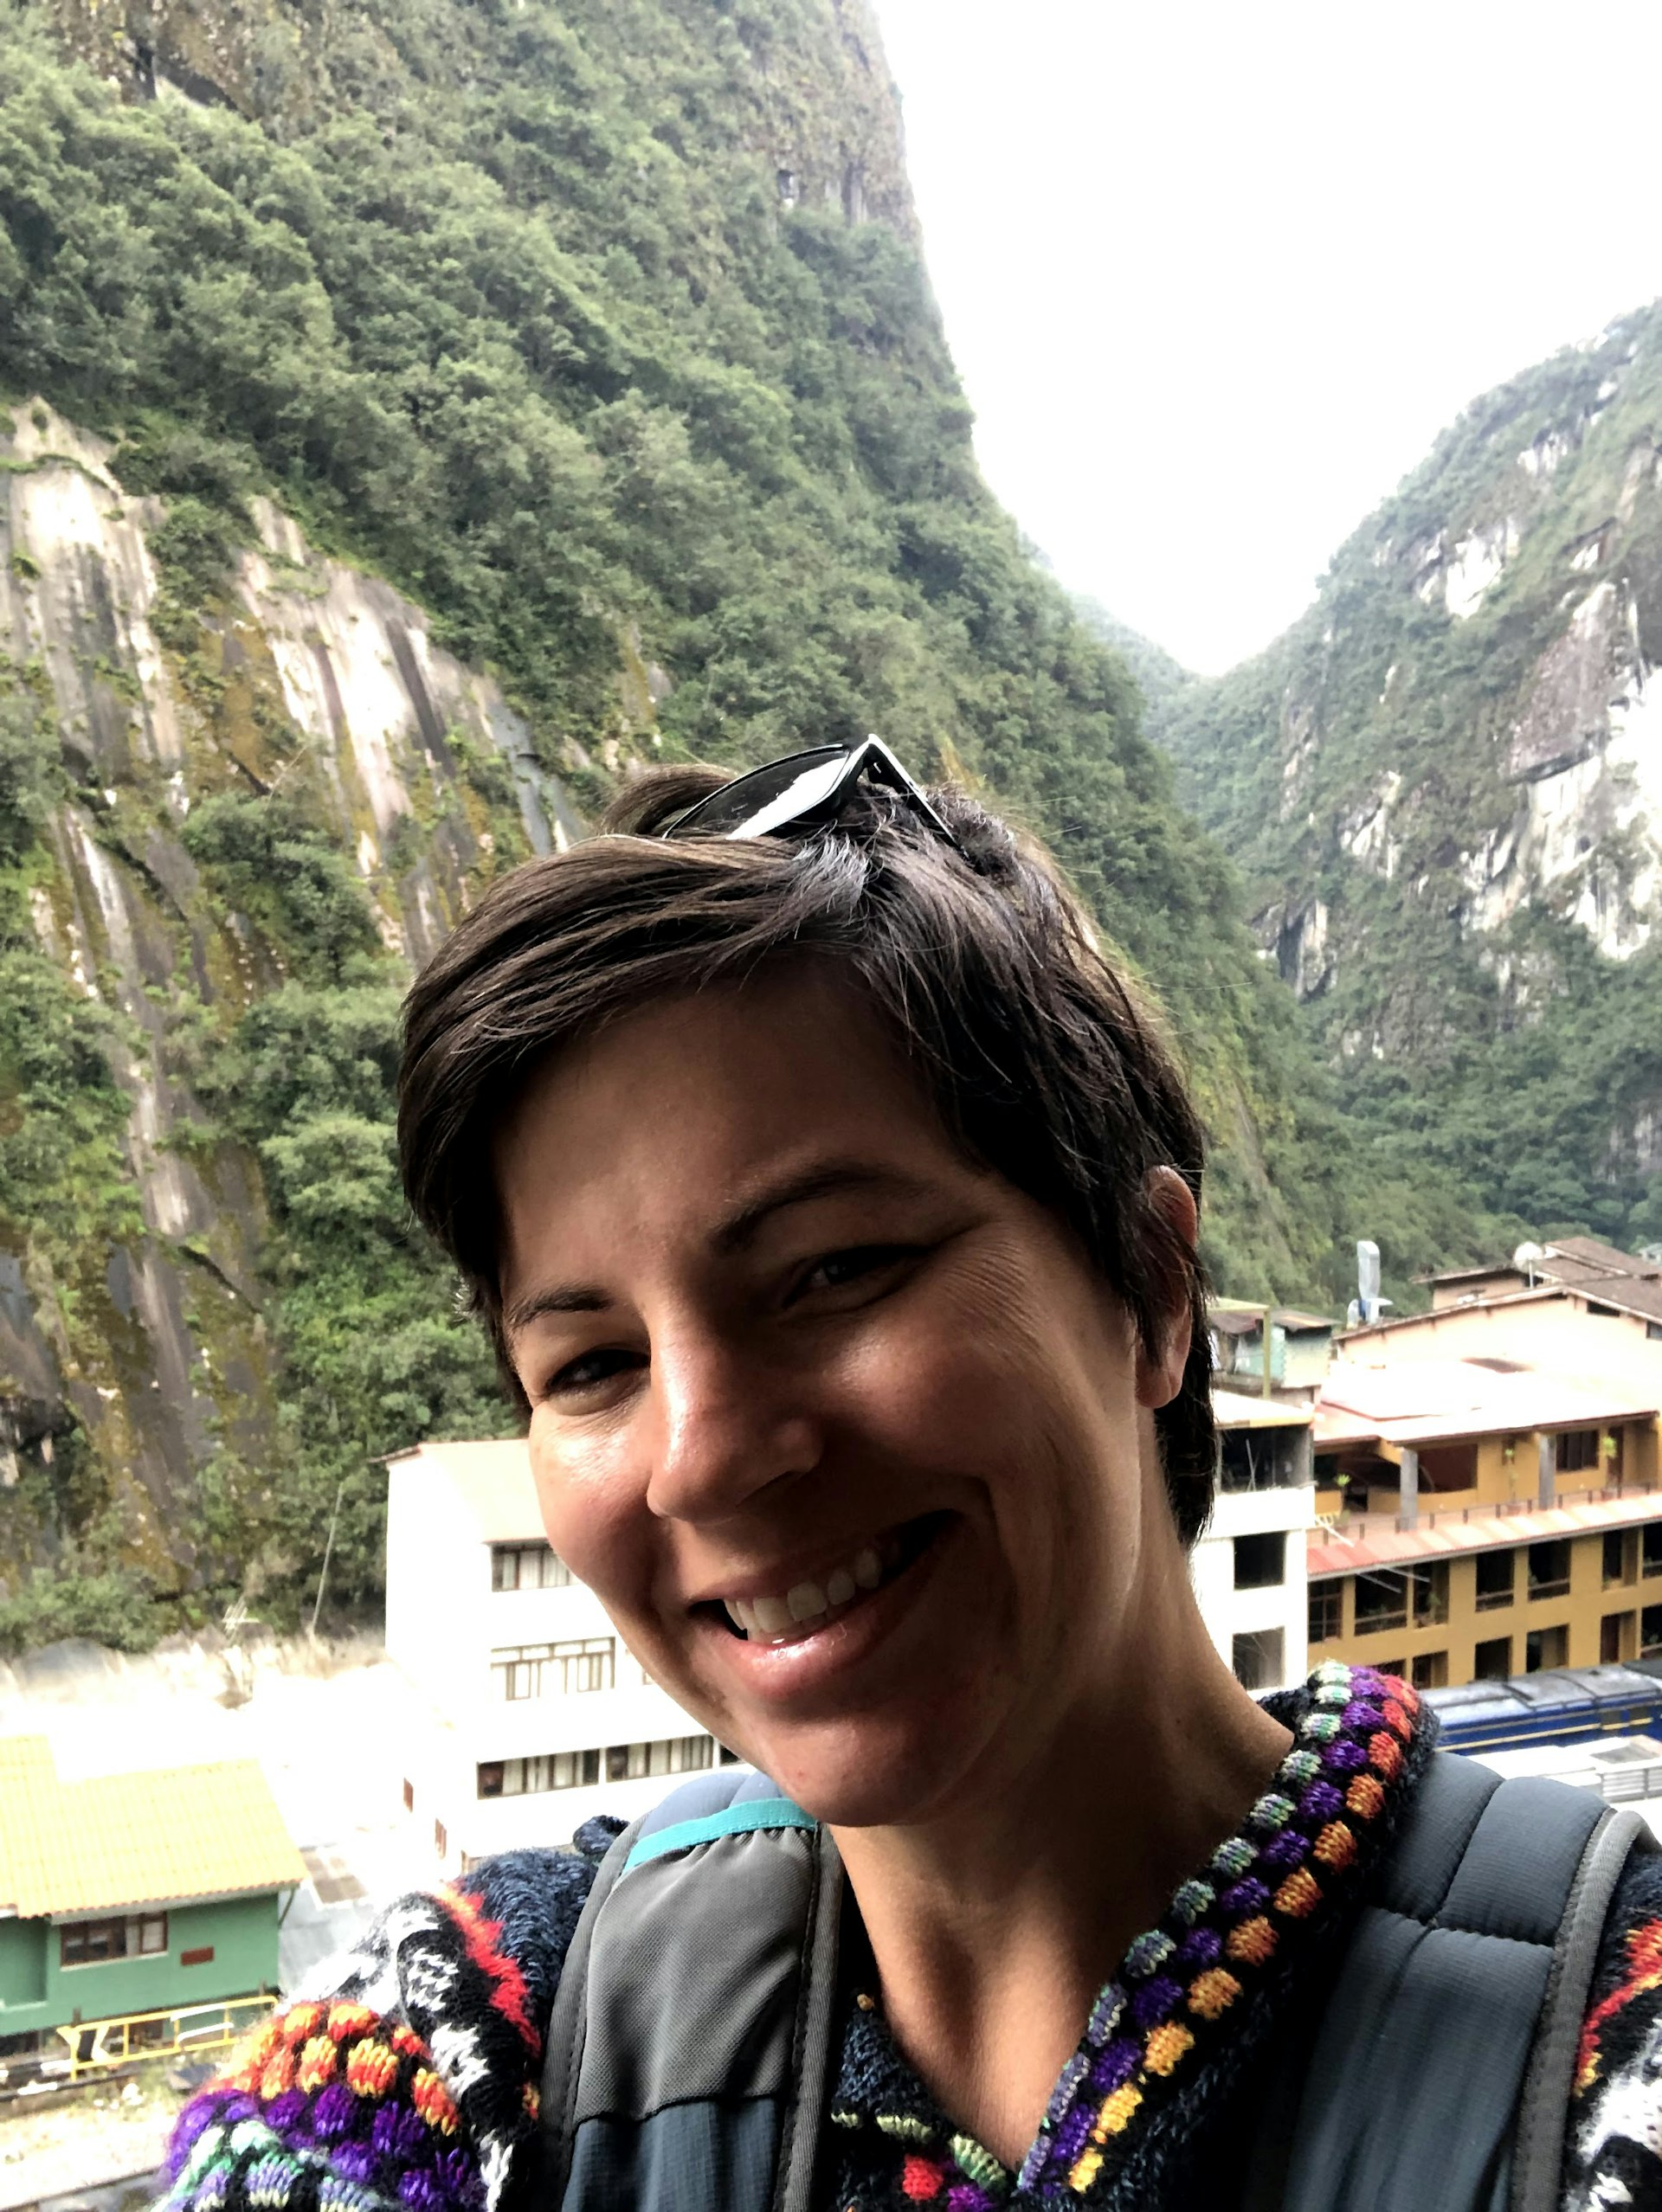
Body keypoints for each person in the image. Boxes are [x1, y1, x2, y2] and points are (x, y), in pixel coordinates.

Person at [162, 742, 1662, 2212]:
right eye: (593, 1365)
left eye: (833, 1269)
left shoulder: (1606, 2049)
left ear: (1147, 1287)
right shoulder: (487, 2049)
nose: (699, 1458)